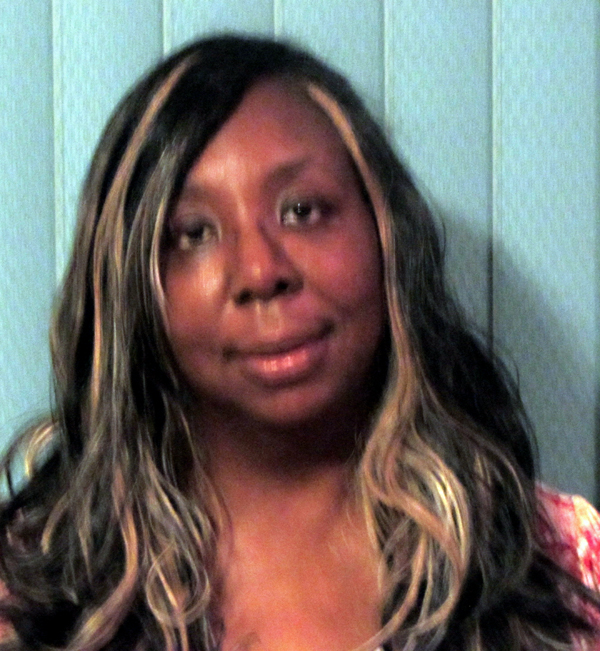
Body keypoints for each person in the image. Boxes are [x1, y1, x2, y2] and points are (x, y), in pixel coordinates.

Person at [0, 34, 597, 651]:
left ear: (387, 236)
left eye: (303, 211)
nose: (261, 272)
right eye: (194, 233)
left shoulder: (564, 570)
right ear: (129, 288)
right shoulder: (25, 598)